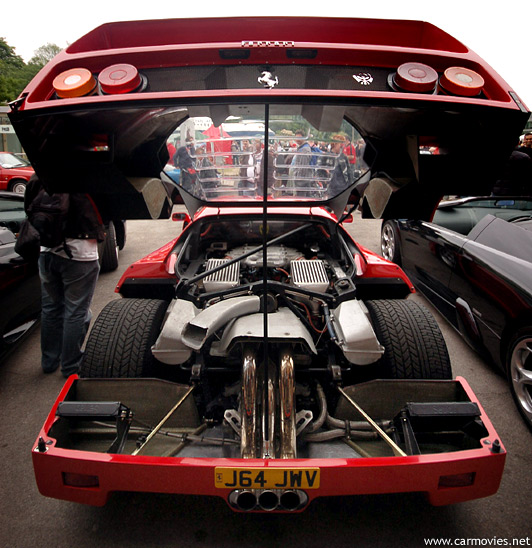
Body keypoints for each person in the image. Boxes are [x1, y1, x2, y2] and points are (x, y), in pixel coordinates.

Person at [24, 175, 105, 378]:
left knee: (51, 308)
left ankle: (49, 361)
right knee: (76, 311)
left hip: (46, 251)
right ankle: (71, 365)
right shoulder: (88, 176)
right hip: (80, 253)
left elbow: (29, 208)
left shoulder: (39, 175)